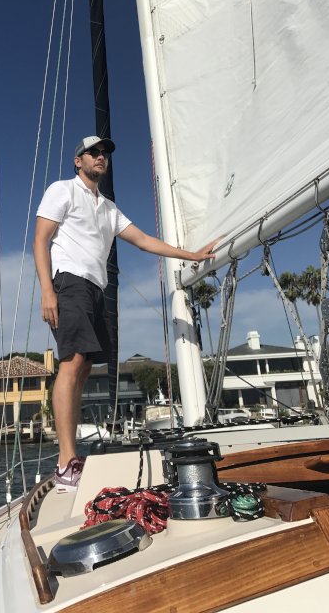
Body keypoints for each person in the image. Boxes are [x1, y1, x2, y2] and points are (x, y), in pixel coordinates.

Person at [33, 135, 217, 493]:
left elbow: (144, 240)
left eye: (105, 153)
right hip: (69, 282)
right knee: (72, 362)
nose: (100, 157)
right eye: (93, 152)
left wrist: (192, 255)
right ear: (78, 161)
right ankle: (66, 462)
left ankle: (72, 458)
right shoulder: (62, 190)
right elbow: (41, 240)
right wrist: (47, 291)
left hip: (96, 289)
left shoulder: (108, 208)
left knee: (85, 367)